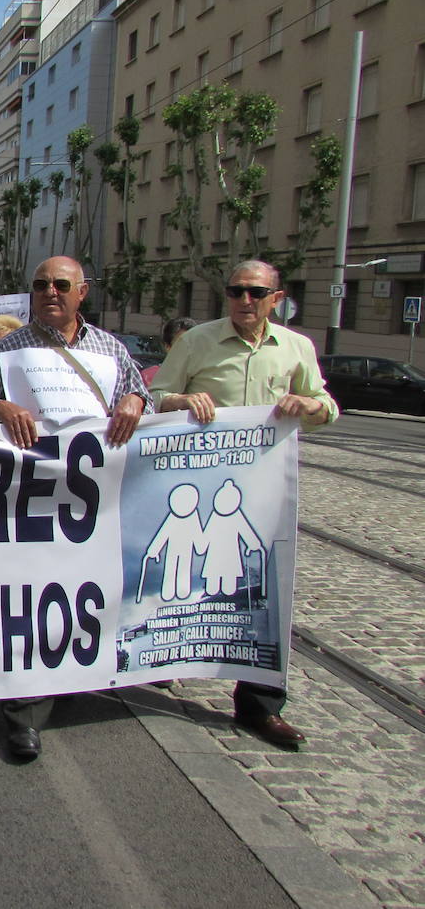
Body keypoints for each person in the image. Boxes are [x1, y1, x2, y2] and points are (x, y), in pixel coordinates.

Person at [0, 256, 151, 762]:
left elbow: (145, 406)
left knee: (83, 595)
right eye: (40, 284)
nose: (49, 292)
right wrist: (0, 407)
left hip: (95, 503)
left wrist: (134, 403)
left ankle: (74, 676)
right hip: (28, 503)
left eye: (61, 284)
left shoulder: (110, 349)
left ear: (82, 291)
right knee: (34, 597)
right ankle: (24, 714)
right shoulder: (9, 347)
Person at [148, 260, 337, 750]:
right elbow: (156, 395)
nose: (244, 301)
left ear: (276, 297)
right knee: (184, 581)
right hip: (197, 486)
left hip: (262, 490)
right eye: (235, 292)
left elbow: (325, 405)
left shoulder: (296, 348)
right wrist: (182, 402)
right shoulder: (198, 341)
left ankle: (261, 705)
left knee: (269, 591)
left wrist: (308, 407)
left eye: (255, 293)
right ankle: (162, 660)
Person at [140, 316, 198, 387]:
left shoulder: (204, 377)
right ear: (167, 347)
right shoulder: (148, 377)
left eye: (193, 344)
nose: (189, 350)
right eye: (182, 345)